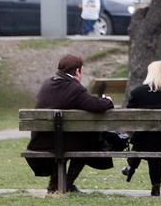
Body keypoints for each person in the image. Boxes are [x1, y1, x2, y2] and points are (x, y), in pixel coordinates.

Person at [25, 54, 114, 193]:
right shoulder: (74, 89)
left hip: (41, 141)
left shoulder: (47, 84)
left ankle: (55, 185)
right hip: (59, 143)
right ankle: (66, 183)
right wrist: (108, 101)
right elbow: (97, 105)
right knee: (87, 143)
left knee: (69, 140)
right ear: (78, 71)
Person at [121, 59, 161, 197]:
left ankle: (132, 167)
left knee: (147, 139)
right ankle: (154, 185)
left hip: (144, 142)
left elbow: (128, 115)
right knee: (153, 140)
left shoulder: (138, 93)